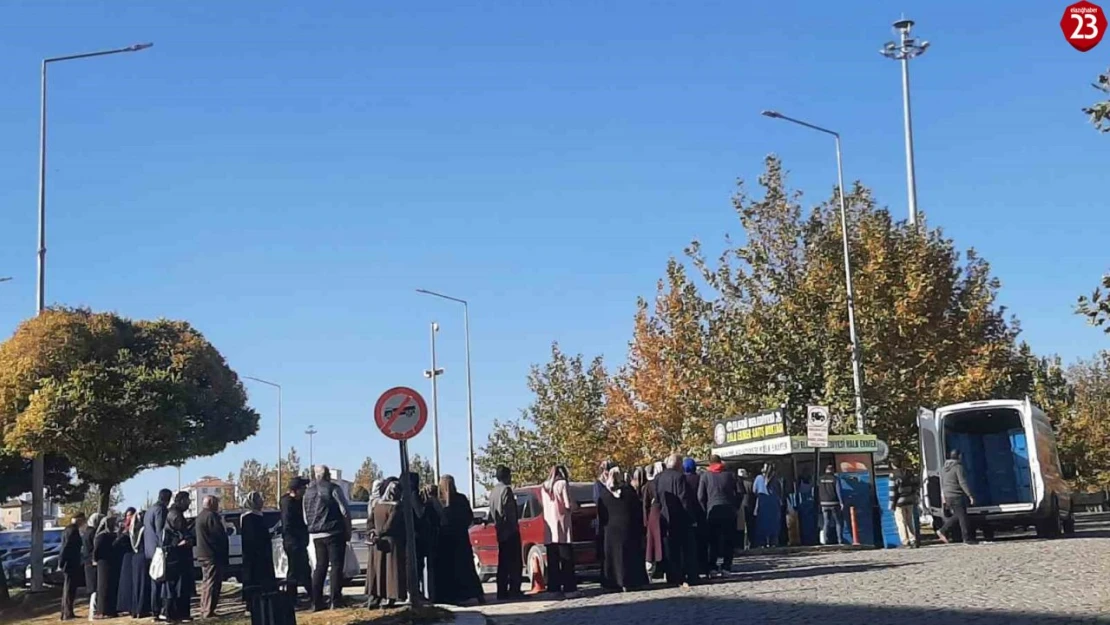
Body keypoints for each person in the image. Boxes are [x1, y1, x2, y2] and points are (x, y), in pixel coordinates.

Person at [303, 464, 352, 611]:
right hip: (334, 531)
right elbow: (344, 510)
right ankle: (335, 600)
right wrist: (347, 529)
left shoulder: (308, 492)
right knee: (336, 566)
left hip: (316, 533)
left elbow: (305, 516)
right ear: (328, 475)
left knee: (320, 566)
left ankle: (316, 601)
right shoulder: (333, 488)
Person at [432, 475, 484, 605]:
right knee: (466, 568)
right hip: (460, 539)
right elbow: (469, 517)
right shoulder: (460, 499)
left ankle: (452, 596)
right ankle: (476, 594)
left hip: (444, 541)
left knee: (448, 569)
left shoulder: (438, 501)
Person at [597, 466, 648, 592]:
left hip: (610, 529)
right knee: (628, 556)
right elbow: (637, 511)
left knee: (613, 557)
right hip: (627, 528)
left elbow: (601, 514)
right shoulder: (629, 492)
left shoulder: (604, 495)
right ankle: (630, 581)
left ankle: (613, 581)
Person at [655, 454, 698, 587]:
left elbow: (656, 498)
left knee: (669, 549)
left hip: (664, 517)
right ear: (678, 464)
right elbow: (684, 498)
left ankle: (672, 575)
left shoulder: (658, 478)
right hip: (680, 518)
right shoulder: (679, 477)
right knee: (686, 549)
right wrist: (691, 517)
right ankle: (688, 574)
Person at [366, 479, 407, 609]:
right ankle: (391, 596)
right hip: (391, 542)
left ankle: (375, 597)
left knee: (377, 569)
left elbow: (370, 521)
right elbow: (390, 525)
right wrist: (379, 533)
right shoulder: (396, 506)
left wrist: (372, 533)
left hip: (377, 543)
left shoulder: (377, 505)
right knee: (391, 570)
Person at [540, 465, 578, 598]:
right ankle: (569, 588)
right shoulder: (562, 484)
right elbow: (567, 504)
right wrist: (575, 506)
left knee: (553, 562)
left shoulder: (544, 486)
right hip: (562, 527)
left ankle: (553, 588)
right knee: (567, 560)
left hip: (549, 529)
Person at [698, 455, 738, 577]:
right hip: (729, 512)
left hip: (712, 512)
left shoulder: (705, 476)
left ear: (710, 464)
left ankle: (712, 568)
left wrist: (705, 510)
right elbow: (740, 492)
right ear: (721, 462)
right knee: (728, 541)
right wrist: (734, 506)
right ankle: (726, 567)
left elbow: (700, 496)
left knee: (713, 541)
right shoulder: (730, 475)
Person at [487, 465, 522, 600]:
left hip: (499, 531)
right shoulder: (506, 490)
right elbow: (509, 512)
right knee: (514, 562)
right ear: (507, 476)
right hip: (509, 531)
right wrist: (514, 527)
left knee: (503, 563)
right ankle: (514, 590)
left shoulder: (494, 491)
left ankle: (501, 591)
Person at [161, 491, 195, 622]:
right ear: (181, 501)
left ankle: (175, 613)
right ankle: (177, 613)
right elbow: (182, 535)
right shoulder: (176, 515)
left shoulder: (175, 514)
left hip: (176, 556)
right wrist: (188, 538)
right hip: (178, 557)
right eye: (187, 501)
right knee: (179, 586)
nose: (189, 503)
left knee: (177, 586)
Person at [241, 491, 278, 610]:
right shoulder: (248, 517)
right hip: (254, 555)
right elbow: (252, 537)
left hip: (263, 553)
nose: (262, 501)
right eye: (259, 499)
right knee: (254, 579)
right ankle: (251, 603)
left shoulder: (259, 515)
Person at [195, 495, 228, 618]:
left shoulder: (200, 516)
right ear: (211, 503)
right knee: (212, 583)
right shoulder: (211, 516)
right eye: (216, 503)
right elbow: (218, 535)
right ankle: (208, 610)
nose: (218, 505)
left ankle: (204, 608)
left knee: (206, 582)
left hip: (203, 553)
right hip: (212, 554)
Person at [279, 477, 311, 602]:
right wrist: (296, 540)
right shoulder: (288, 503)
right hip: (293, 542)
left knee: (303, 569)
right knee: (294, 569)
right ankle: (292, 598)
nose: (305, 491)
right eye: (303, 488)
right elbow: (288, 524)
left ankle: (311, 595)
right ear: (296, 490)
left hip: (299, 541)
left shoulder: (298, 501)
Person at [143, 489, 172, 618]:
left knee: (155, 580)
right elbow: (161, 530)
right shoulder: (160, 510)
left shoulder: (149, 510)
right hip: (158, 550)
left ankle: (155, 610)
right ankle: (160, 610)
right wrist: (165, 547)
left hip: (149, 549)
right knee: (161, 580)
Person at [938, 450, 977, 545]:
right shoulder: (958, 467)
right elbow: (962, 482)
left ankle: (943, 530)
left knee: (958, 515)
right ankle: (966, 538)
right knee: (963, 517)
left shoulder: (943, 469)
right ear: (958, 456)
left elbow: (942, 483)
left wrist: (943, 496)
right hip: (957, 495)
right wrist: (970, 495)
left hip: (948, 495)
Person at [682, 458, 708, 576]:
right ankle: (703, 566)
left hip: (687, 514)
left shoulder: (682, 479)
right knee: (702, 542)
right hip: (701, 513)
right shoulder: (700, 478)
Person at [93, 515, 123, 618]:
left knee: (111, 586)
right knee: (103, 587)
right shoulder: (101, 536)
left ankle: (111, 610)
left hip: (111, 563)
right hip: (103, 563)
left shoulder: (113, 535)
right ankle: (102, 611)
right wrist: (95, 560)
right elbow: (96, 551)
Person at [593, 460, 616, 589]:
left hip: (613, 520)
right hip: (603, 521)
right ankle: (605, 576)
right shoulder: (598, 484)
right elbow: (597, 501)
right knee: (603, 551)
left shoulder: (614, 483)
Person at [60, 512, 87, 620]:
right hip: (70, 563)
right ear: (78, 519)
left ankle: (66, 612)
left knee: (69, 588)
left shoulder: (68, 529)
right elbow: (66, 548)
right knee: (69, 589)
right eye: (83, 520)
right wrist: (62, 562)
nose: (83, 523)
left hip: (69, 563)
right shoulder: (73, 531)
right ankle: (67, 613)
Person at [889, 461, 920, 548]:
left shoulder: (893, 474)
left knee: (901, 522)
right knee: (910, 520)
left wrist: (891, 504)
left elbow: (892, 490)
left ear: (892, 464)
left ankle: (905, 542)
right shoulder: (908, 472)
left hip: (899, 502)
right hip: (909, 500)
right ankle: (913, 539)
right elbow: (915, 484)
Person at [642, 463, 665, 578]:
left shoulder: (648, 485)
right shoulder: (661, 484)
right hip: (663, 515)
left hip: (653, 517)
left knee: (652, 545)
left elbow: (645, 505)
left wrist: (645, 522)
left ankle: (652, 571)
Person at [129, 509, 152, 619]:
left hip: (135, 557)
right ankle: (142, 609)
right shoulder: (144, 529)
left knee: (136, 584)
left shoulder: (133, 529)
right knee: (143, 584)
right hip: (143, 557)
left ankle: (135, 609)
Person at [115, 508, 138, 617]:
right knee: (125, 582)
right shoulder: (123, 528)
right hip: (125, 557)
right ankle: (124, 605)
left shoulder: (135, 528)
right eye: (127, 515)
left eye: (131, 515)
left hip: (132, 555)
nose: (129, 517)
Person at [754, 464, 782, 548]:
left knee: (762, 524)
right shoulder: (776, 479)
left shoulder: (758, 478)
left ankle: (762, 543)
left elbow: (754, 490)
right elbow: (780, 492)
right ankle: (773, 542)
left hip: (762, 505)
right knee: (773, 525)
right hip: (773, 505)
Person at [817, 465, 845, 545]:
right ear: (832, 470)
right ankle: (840, 540)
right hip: (834, 503)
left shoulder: (820, 479)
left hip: (823, 503)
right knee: (838, 522)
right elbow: (838, 491)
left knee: (826, 522)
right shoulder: (835, 479)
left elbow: (817, 490)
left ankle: (825, 540)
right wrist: (841, 502)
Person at [83, 513, 101, 615]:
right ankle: (94, 608)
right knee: (95, 586)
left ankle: (92, 608)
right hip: (92, 562)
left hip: (87, 561)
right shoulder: (93, 532)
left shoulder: (86, 531)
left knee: (92, 586)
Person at [737, 469, 756, 550]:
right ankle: (751, 543)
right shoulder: (750, 482)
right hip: (749, 504)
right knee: (750, 525)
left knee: (740, 527)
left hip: (741, 505)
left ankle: (741, 545)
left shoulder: (737, 482)